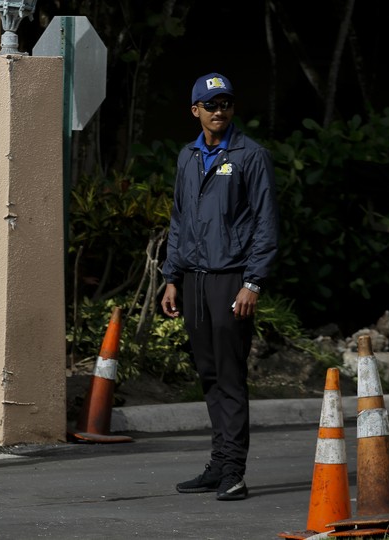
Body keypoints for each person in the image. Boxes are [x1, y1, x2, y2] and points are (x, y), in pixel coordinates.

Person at [160, 73, 279, 501]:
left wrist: (253, 282)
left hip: (231, 279)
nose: (219, 111)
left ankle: (234, 471)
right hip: (193, 280)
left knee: (230, 375)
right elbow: (178, 220)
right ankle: (217, 463)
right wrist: (171, 277)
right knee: (208, 375)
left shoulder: (251, 156)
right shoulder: (187, 156)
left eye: (225, 104)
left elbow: (266, 224)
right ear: (196, 111)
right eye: (210, 105)